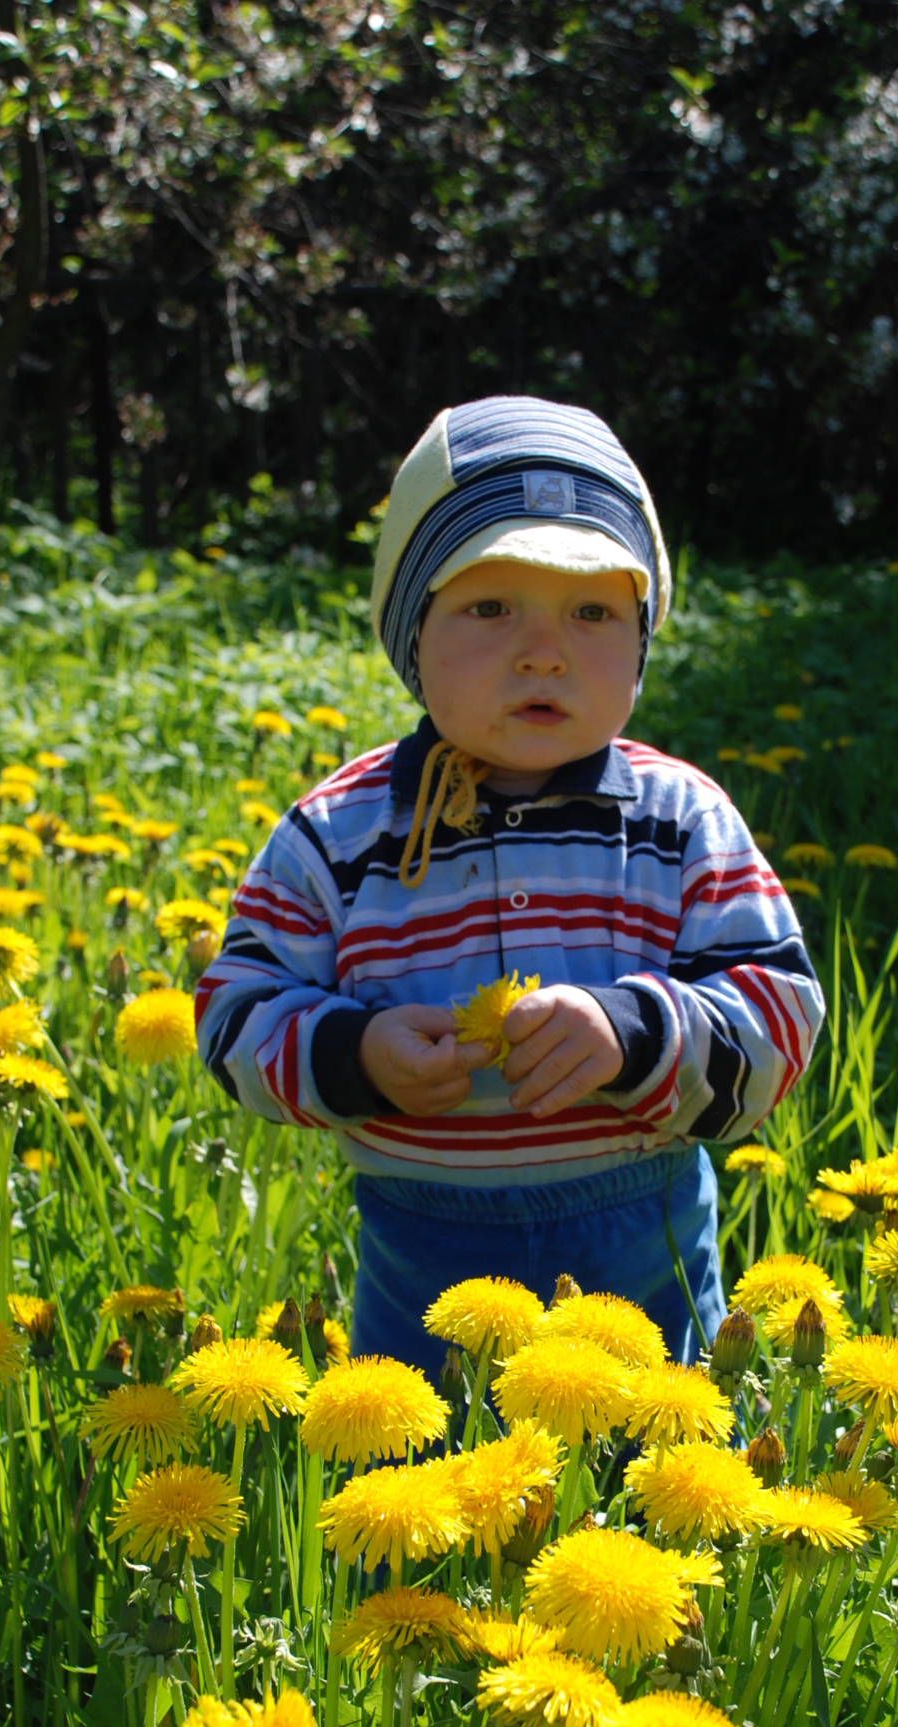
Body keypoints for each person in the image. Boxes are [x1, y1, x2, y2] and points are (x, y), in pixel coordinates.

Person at [195, 395, 824, 1375]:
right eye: (490, 608)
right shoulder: (341, 833)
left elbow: (780, 1017)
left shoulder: (679, 821)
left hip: (639, 1257)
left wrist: (632, 1035)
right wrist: (355, 1054)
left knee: (645, 1486)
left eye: (592, 611)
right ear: (412, 629)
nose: (544, 650)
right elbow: (235, 1014)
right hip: (422, 1263)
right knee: (415, 1494)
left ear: (643, 634)